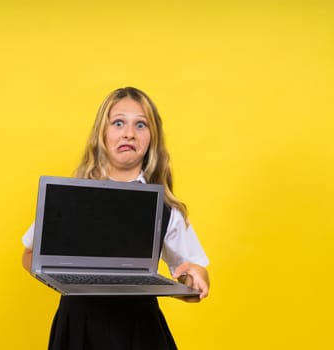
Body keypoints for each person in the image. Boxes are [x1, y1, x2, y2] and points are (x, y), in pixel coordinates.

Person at [22, 87, 210, 350]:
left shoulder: (165, 208)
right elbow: (29, 255)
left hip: (140, 331)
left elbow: (193, 277)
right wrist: (57, 275)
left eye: (141, 125)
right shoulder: (70, 199)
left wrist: (195, 277)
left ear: (152, 138)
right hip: (79, 328)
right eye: (118, 122)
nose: (129, 133)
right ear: (103, 133)